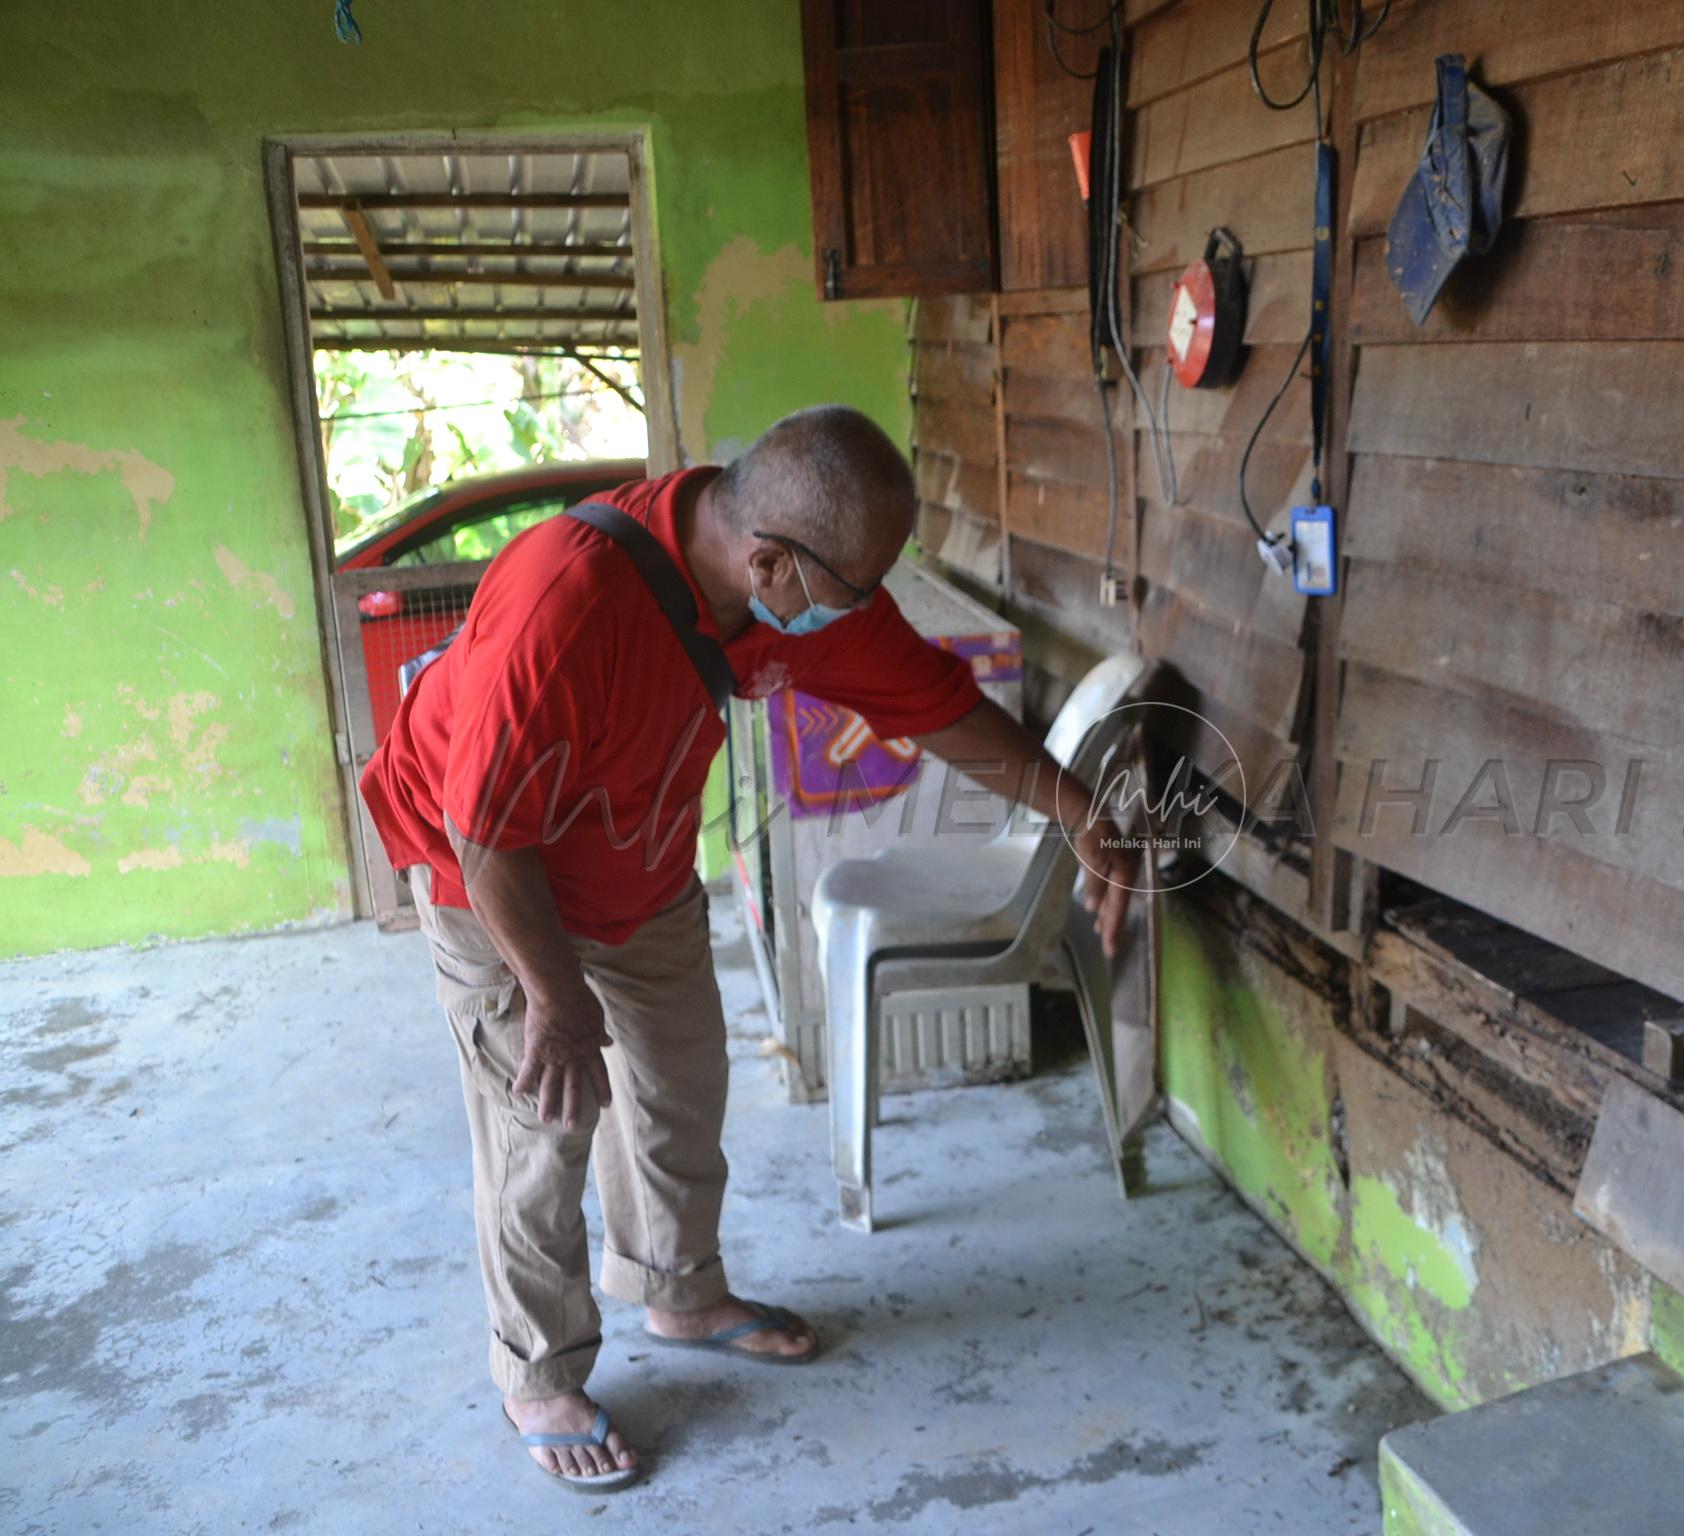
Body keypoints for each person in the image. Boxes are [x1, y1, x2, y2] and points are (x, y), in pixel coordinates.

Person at [358, 405, 1135, 1491]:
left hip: (636, 859)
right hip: (490, 877)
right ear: (767, 557)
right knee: (545, 1121)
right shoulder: (566, 604)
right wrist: (559, 998)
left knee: (680, 1079)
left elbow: (940, 706)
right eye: (854, 589)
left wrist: (1078, 806)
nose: (861, 612)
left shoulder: (791, 590)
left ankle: (678, 1292)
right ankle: (537, 1370)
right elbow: (482, 827)